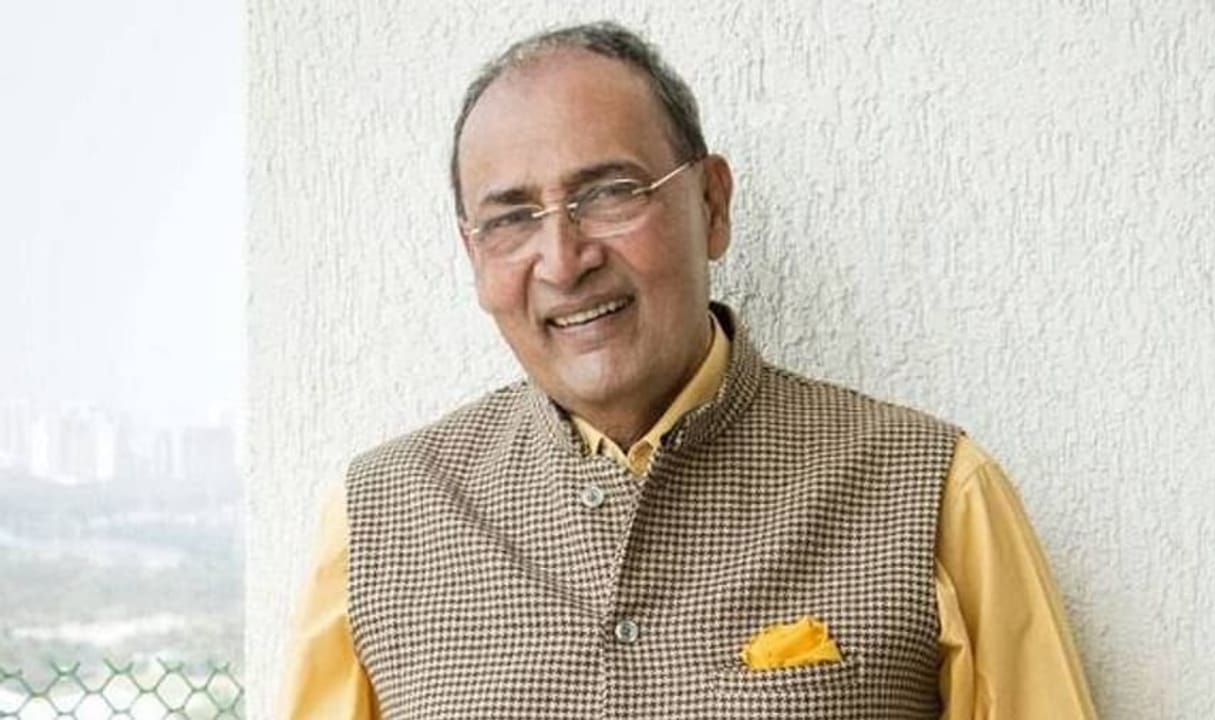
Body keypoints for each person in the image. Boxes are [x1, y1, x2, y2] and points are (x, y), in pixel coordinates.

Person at [280, 21, 1096, 719]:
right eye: (512, 218)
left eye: (609, 193)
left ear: (712, 204)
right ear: (472, 253)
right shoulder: (377, 522)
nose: (563, 260)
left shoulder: (934, 492)